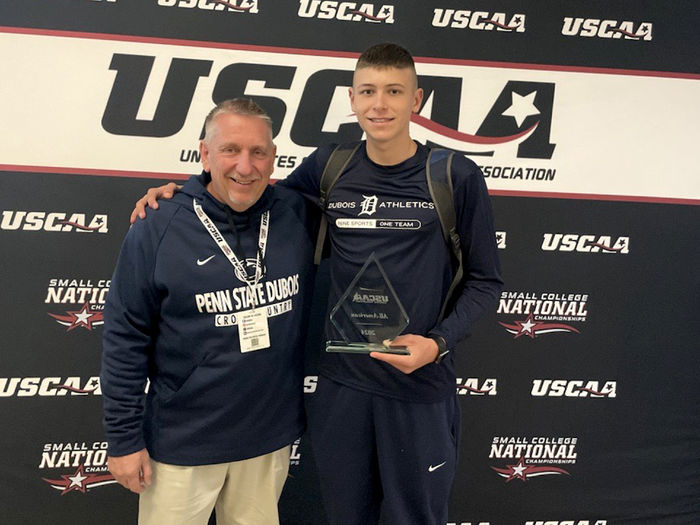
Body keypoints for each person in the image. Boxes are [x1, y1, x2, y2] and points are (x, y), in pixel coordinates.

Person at [131, 43, 503, 525]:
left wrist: (437, 344)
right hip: (342, 389)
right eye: (368, 91)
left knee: (416, 517)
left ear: (417, 100)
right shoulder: (331, 166)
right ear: (351, 98)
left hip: (419, 388)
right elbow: (248, 190)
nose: (380, 104)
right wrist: (184, 191)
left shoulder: (454, 176)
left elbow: (486, 282)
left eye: (394, 91)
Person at [102, 98, 316, 525]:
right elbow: (125, 336)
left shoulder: (295, 213)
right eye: (230, 150)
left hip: (268, 438)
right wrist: (124, 439)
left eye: (259, 152)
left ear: (274, 157)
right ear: (204, 153)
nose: (245, 165)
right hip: (184, 443)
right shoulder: (159, 224)